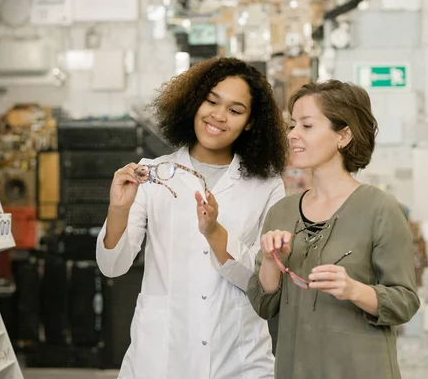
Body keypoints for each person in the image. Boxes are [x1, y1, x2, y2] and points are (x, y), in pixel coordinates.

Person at [96, 57, 288, 379]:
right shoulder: (152, 174)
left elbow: (263, 282)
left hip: (237, 356)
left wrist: (214, 232)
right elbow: (112, 266)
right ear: (194, 101)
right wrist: (118, 209)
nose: (218, 116)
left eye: (235, 110)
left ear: (251, 122)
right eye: (211, 101)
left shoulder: (267, 186)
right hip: (160, 355)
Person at [247, 80, 421, 378]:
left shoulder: (381, 208)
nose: (293, 135)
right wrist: (273, 263)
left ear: (343, 135)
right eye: (292, 126)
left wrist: (354, 289)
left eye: (307, 126)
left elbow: (405, 302)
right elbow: (264, 305)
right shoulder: (282, 212)